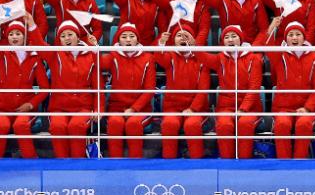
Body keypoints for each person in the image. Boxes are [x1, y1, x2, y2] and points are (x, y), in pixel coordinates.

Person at [257, 20, 315, 159]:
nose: (294, 37)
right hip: (283, 107)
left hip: (306, 108)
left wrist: (307, 108)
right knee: (282, 124)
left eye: (298, 34)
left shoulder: (314, 57)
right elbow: (267, 45)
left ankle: (299, 163)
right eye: (291, 34)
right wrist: (272, 27)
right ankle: (284, 165)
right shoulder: (279, 54)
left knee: (304, 124)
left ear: (304, 38)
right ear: (286, 38)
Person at [196, 25, 263, 159]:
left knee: (244, 124)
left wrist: (243, 109)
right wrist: (193, 44)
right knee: (223, 125)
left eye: (234, 36)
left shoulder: (254, 58)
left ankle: (244, 163)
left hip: (250, 108)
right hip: (226, 107)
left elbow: (254, 87)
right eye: (226, 37)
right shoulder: (220, 58)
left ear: (241, 39)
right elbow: (202, 57)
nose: (230, 40)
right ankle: (227, 164)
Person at [0, 20, 49, 159]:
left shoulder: (35, 57)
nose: (14, 36)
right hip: (3, 108)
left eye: (18, 33)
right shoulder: (1, 53)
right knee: (1, 126)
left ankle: (32, 164)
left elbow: (45, 88)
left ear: (25, 37)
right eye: (11, 34)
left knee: (20, 125)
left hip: (25, 109)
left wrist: (30, 104)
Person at [45, 21, 100, 159]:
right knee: (58, 127)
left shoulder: (91, 55)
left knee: (76, 126)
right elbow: (38, 43)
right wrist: (32, 25)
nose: (67, 38)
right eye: (62, 36)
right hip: (59, 107)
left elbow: (98, 84)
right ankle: (62, 166)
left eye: (70, 34)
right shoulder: (54, 54)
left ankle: (77, 167)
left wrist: (99, 107)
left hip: (83, 107)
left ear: (78, 37)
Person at [154, 28, 209, 159]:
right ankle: (169, 164)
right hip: (172, 107)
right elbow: (159, 58)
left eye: (186, 35)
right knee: (169, 124)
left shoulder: (202, 58)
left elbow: (204, 89)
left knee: (192, 125)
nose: (182, 38)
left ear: (193, 39)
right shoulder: (170, 56)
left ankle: (197, 164)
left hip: (197, 109)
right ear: (173, 41)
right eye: (179, 35)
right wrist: (161, 43)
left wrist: (193, 109)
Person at [102, 23, 155, 159]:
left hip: (141, 110)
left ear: (137, 40)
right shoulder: (113, 56)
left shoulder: (147, 58)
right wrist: (95, 48)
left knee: (133, 124)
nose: (128, 39)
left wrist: (134, 109)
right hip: (116, 108)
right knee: (114, 123)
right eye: (124, 36)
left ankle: (135, 165)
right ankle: (115, 166)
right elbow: (97, 63)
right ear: (118, 40)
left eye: (132, 36)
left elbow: (150, 90)